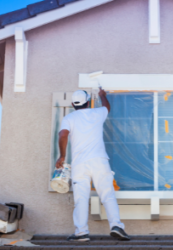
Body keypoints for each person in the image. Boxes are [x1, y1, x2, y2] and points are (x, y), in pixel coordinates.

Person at [56, 89, 130, 242]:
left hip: (79, 164)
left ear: (72, 104)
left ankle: (81, 233)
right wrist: (103, 95)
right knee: (107, 195)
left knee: (81, 199)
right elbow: (106, 107)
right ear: (88, 102)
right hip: (99, 161)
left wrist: (62, 156)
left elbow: (63, 135)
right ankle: (117, 226)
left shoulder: (69, 118)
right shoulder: (97, 113)